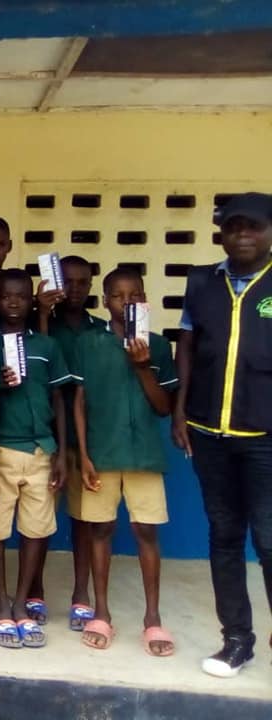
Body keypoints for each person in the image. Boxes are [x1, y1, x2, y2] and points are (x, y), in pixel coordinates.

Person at [173, 192, 272, 677]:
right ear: (222, 235)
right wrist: (179, 411)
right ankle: (236, 640)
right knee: (225, 536)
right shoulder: (201, 282)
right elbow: (187, 346)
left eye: (253, 226)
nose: (243, 235)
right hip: (209, 432)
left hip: (265, 436)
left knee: (270, 539)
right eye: (234, 227)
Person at [72, 268, 177, 656]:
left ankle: (153, 618)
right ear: (105, 302)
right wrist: (83, 454)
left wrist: (143, 366)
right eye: (118, 296)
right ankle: (101, 612)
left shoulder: (159, 346)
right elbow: (79, 402)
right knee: (100, 531)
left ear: (144, 299)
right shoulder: (88, 343)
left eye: (135, 295)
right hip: (101, 452)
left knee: (146, 532)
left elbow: (164, 407)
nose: (127, 302)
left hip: (144, 454)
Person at [0, 269, 70, 649]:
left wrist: (61, 452)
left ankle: (22, 600)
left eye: (21, 296)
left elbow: (59, 399)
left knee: (36, 529)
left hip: (41, 450)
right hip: (2, 448)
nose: (14, 302)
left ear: (32, 300)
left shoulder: (46, 346)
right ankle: (0, 599)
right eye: (7, 296)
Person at [35, 255, 100, 630]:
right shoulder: (41, 325)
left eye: (82, 282)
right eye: (68, 281)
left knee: (84, 519)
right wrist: (43, 314)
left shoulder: (101, 331)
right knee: (41, 520)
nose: (74, 289)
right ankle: (36, 590)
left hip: (88, 440)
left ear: (91, 286)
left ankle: (81, 594)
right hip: (48, 435)